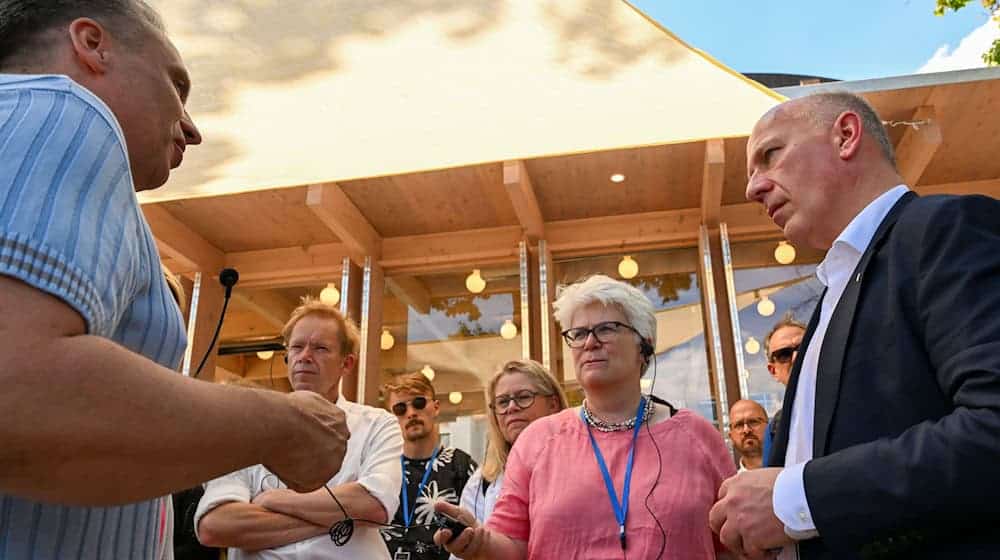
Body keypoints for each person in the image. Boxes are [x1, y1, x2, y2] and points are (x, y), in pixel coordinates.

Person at [0, 2, 349, 558]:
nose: (192, 127)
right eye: (176, 86)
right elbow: (14, 390)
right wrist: (280, 423)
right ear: (93, 44)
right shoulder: (65, 107)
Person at [709, 91, 1000, 559]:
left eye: (770, 155)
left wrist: (796, 499)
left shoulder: (945, 229)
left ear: (846, 135)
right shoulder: (830, 300)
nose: (752, 189)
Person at [435, 274, 735, 559]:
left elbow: (735, 546)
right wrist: (479, 542)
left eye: (606, 328)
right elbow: (513, 544)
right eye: (578, 333)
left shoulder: (697, 436)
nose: (590, 342)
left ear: (644, 345)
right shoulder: (537, 441)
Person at [195, 299, 403, 559]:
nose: (305, 356)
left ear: (346, 364)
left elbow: (373, 505)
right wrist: (341, 518)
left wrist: (273, 500)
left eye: (320, 348)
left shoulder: (377, 424)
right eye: (297, 347)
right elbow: (215, 526)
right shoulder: (247, 429)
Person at [458, 359, 568, 525]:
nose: (511, 407)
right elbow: (467, 549)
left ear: (553, 404)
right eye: (502, 402)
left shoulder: (584, 462)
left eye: (523, 397)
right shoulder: (482, 483)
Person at [381, 372, 477, 560]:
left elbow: (477, 530)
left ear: (436, 407)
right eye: (400, 408)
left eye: (418, 403)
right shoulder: (380, 467)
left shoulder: (460, 464)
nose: (411, 413)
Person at [760, 314, 805, 466]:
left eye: (804, 348)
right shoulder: (775, 429)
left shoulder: (850, 399)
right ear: (773, 370)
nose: (796, 357)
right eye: (784, 354)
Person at [728, 400, 768, 472]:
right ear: (731, 436)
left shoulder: (788, 473)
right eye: (739, 425)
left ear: (768, 427)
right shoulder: (732, 483)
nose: (746, 430)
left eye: (753, 422)